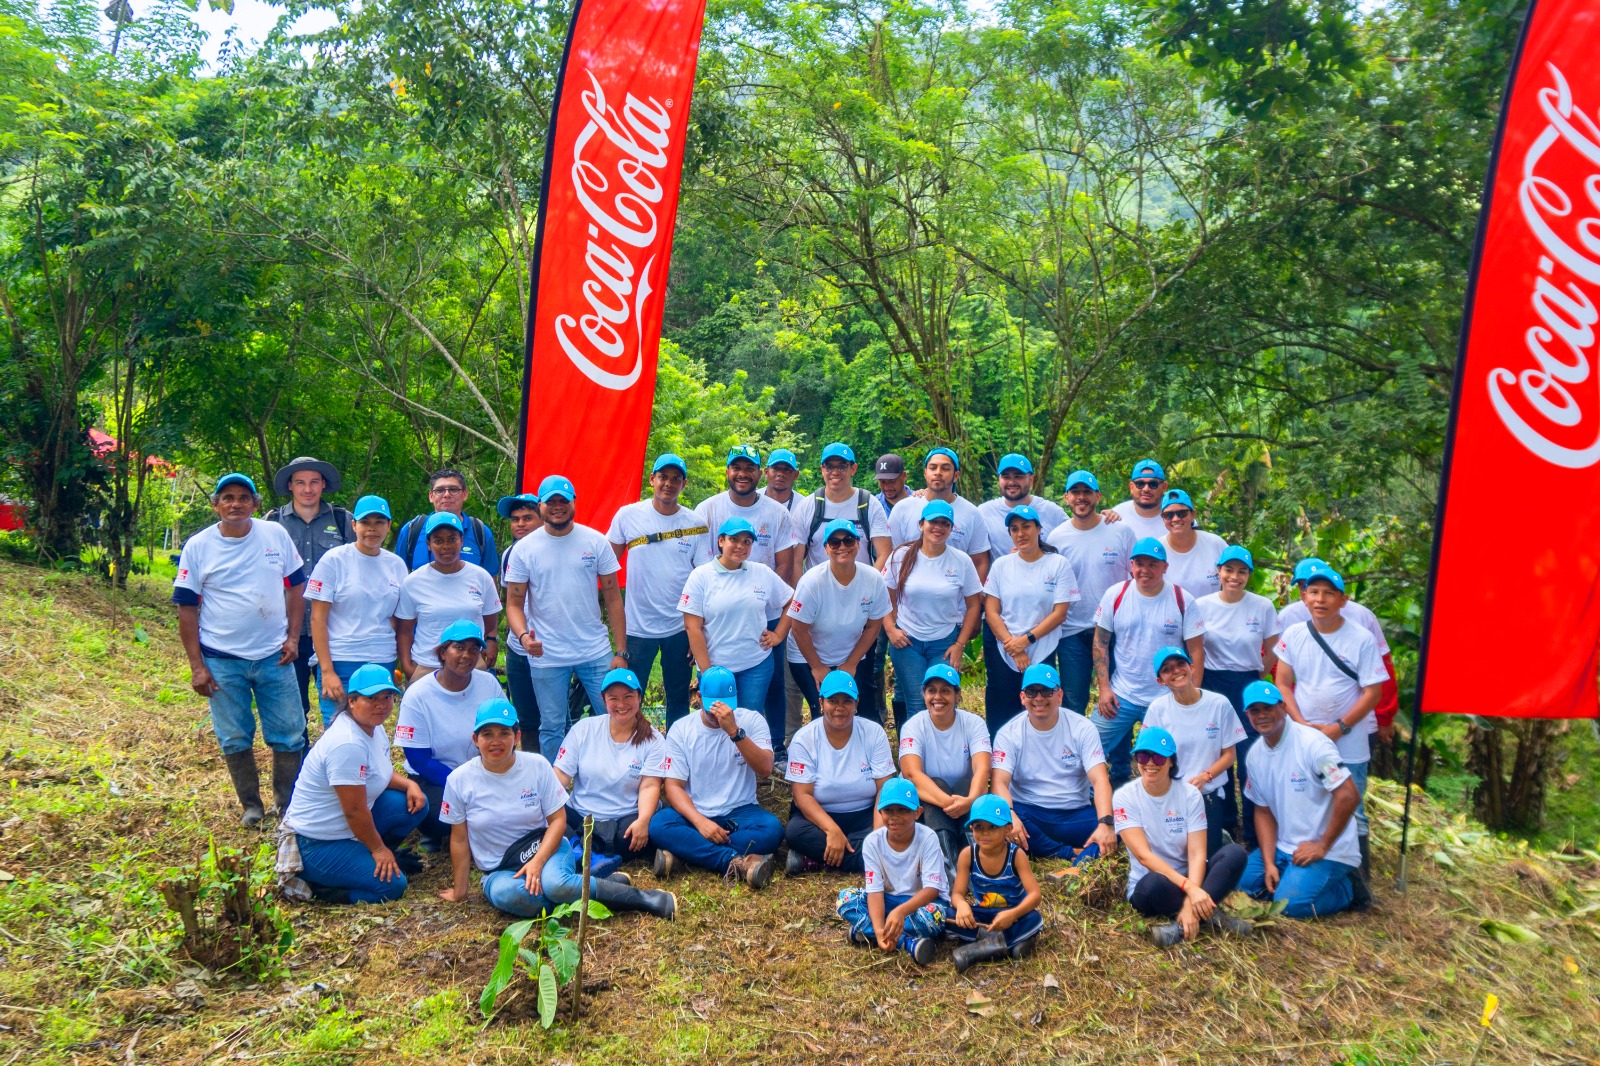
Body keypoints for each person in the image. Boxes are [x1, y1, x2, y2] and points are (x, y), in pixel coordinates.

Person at [437, 698, 675, 920]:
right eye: (487, 734)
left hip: (546, 847)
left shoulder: (537, 766)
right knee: (514, 896)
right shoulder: (459, 780)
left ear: (517, 736)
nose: (496, 741)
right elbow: (459, 839)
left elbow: (558, 821)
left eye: (504, 733)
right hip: (500, 868)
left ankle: (645, 899)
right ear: (475, 739)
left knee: (556, 886)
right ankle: (589, 887)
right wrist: (461, 890)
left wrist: (538, 862)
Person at [174, 473, 308, 826]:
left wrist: (293, 638)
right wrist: (197, 666)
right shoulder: (198, 546)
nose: (236, 504)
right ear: (215, 504)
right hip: (221, 660)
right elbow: (186, 608)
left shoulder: (275, 535)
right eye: (228, 497)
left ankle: (286, 804)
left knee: (290, 731)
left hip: (274, 656)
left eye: (244, 497)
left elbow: (296, 587)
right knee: (234, 735)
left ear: (255, 504)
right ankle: (251, 807)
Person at [1272, 563, 1385, 906]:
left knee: (1354, 807)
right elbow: (1283, 682)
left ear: (1342, 600)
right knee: (1309, 800)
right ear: (1304, 597)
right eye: (1314, 592)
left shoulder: (1361, 639)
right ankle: (1314, 867)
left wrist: (1340, 727)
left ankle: (1360, 885)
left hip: (1347, 743)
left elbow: (1373, 692)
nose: (1320, 599)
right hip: (1305, 737)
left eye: (1329, 593)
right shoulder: (1294, 635)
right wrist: (1300, 724)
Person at [279, 663, 428, 904]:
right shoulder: (347, 744)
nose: (381, 705)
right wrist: (379, 849)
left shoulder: (373, 727)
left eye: (387, 697)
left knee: (413, 804)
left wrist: (411, 785)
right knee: (392, 886)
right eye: (371, 698)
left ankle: (368, 858)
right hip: (317, 843)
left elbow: (379, 774)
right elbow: (354, 810)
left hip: (347, 828)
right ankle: (323, 888)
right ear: (352, 701)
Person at [504, 474, 627, 762]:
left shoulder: (596, 542)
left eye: (564, 501)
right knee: (552, 727)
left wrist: (620, 650)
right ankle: (553, 789)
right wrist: (523, 637)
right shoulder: (524, 549)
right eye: (551, 502)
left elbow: (613, 597)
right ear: (540, 506)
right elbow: (513, 604)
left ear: (573, 502)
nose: (558, 507)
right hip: (547, 654)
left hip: (594, 650)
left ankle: (619, 776)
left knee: (614, 715)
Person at [698, 445, 803, 758]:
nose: (742, 474)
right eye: (736, 468)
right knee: (721, 681)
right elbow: (700, 564)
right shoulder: (709, 510)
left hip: (766, 607)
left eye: (749, 468)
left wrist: (776, 617)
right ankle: (713, 747)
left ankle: (773, 747)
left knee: (772, 682)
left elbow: (784, 563)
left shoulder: (775, 512)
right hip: (720, 611)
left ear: (761, 473)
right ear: (728, 471)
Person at [1112, 727, 1252, 946]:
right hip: (1155, 883)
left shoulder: (1190, 795)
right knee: (1152, 885)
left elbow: (1197, 855)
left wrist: (1190, 899)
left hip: (1190, 879)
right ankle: (1209, 915)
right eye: (1142, 756)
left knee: (1235, 853)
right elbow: (1143, 856)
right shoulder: (1124, 797)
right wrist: (1191, 890)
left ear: (1171, 762)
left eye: (1158, 757)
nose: (1150, 763)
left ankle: (1183, 923)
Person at [1237, 681, 1363, 919]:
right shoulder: (1254, 755)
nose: (1262, 715)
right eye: (1255, 710)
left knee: (1289, 907)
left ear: (1283, 707)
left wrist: (1322, 846)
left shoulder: (1313, 744)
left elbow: (1348, 795)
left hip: (1329, 849)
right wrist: (1269, 863)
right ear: (1247, 715)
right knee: (1241, 883)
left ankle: (1347, 890)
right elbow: (1262, 810)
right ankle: (1289, 877)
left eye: (1268, 707)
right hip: (1284, 847)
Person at [648, 667, 782, 888]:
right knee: (659, 824)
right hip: (695, 812)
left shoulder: (752, 720)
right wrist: (701, 823)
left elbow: (765, 768)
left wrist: (735, 733)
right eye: (712, 707)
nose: (719, 713)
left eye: (726, 705)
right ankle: (731, 861)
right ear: (698, 697)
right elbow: (673, 787)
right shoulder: (681, 729)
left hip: (740, 812)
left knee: (772, 830)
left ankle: (685, 854)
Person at [607, 454, 712, 726]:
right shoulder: (628, 516)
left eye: (676, 478)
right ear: (651, 479)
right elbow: (606, 564)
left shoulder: (696, 522)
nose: (669, 483)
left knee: (678, 695)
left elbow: (704, 578)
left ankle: (677, 753)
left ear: (684, 484)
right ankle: (636, 748)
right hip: (637, 626)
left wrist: (697, 629)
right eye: (663, 477)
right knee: (632, 693)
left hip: (680, 627)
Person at [1092, 538, 1205, 787]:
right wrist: (1104, 689)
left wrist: (1189, 696)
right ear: (1131, 565)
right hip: (1122, 694)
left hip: (1167, 697)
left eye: (1153, 564)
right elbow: (1100, 642)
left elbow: (1196, 651)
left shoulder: (1182, 599)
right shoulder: (1116, 595)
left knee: (1174, 758)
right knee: (1088, 748)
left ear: (1165, 567)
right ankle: (1085, 802)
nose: (1145, 570)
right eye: (1140, 563)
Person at [394, 619, 507, 848]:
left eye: (474, 649)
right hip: (437, 778)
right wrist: (466, 785)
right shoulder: (418, 694)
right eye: (459, 647)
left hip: (487, 770)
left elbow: (507, 730)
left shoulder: (488, 683)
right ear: (443, 652)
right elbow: (419, 759)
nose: (467, 655)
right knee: (438, 818)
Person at [1195, 545, 1280, 846]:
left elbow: (1273, 648)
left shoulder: (1262, 606)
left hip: (1248, 685)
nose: (1234, 577)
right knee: (1218, 754)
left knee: (1250, 758)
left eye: (1242, 571)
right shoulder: (1202, 605)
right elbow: (1195, 648)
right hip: (1213, 682)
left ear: (1249, 575)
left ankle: (1256, 833)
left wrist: (1257, 675)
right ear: (1218, 572)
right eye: (1229, 570)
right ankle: (1225, 824)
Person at [990, 664, 1117, 860]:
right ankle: (1072, 854)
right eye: (1032, 692)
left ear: (1059, 696)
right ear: (1022, 697)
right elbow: (999, 782)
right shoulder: (1008, 733)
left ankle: (1051, 851)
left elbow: (1100, 780)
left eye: (1047, 691)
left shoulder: (1083, 728)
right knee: (998, 819)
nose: (1039, 698)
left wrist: (1105, 822)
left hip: (1074, 815)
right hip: (1029, 814)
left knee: (1120, 822)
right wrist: (1010, 816)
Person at [552, 669, 667, 879]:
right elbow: (560, 774)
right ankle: (592, 853)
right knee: (553, 815)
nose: (621, 705)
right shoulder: (584, 728)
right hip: (581, 815)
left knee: (636, 835)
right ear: (603, 699)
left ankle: (580, 850)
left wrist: (643, 820)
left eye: (628, 697)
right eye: (613, 698)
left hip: (623, 818)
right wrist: (543, 802)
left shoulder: (654, 740)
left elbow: (650, 785)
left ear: (639, 698)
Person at [306, 495, 408, 726]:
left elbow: (397, 619)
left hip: (382, 659)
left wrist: (400, 664)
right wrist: (328, 671)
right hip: (342, 659)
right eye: (365, 522)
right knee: (338, 729)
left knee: (373, 726)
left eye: (379, 522)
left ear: (389, 526)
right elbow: (317, 618)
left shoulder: (396, 565)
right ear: (354, 525)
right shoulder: (334, 560)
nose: (372, 529)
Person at [268, 456, 353, 726]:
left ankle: (341, 761)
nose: (308, 489)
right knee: (291, 709)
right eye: (301, 482)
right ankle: (299, 765)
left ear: (323, 485)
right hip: (287, 632)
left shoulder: (343, 520)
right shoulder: (272, 523)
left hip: (334, 632)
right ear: (290, 486)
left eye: (314, 482)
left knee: (340, 707)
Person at [784, 671, 896, 875]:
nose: (840, 708)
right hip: (820, 817)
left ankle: (818, 860)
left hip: (865, 815)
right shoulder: (804, 739)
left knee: (898, 825)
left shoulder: (874, 732)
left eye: (847, 701)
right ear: (821, 703)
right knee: (794, 831)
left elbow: (884, 789)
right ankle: (876, 858)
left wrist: (879, 835)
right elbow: (802, 796)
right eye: (832, 701)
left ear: (857, 703)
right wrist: (832, 830)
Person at [882, 499, 983, 724]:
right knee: (917, 704)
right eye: (933, 522)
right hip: (907, 641)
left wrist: (960, 645)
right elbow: (884, 598)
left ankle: (943, 756)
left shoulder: (961, 561)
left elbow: (974, 605)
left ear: (951, 528)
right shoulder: (900, 556)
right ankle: (913, 756)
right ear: (921, 524)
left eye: (945, 523)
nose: (938, 527)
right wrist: (890, 629)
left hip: (944, 643)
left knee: (943, 703)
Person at [982, 505, 1079, 739]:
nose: (1020, 533)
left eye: (1026, 527)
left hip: (1041, 646)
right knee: (1002, 706)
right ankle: (999, 764)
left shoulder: (1057, 564)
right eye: (1014, 529)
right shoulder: (1002, 565)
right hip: (1004, 648)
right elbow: (992, 610)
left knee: (1040, 705)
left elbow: (1060, 612)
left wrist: (1025, 641)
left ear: (1038, 529)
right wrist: (1013, 646)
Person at [782, 518, 892, 722]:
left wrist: (851, 663)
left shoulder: (873, 578)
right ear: (825, 549)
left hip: (850, 652)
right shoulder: (812, 582)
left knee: (858, 709)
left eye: (849, 540)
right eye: (834, 542)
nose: (842, 546)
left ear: (858, 544)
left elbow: (873, 625)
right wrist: (817, 667)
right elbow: (798, 630)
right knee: (823, 712)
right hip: (807, 656)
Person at [1279, 557, 1400, 742]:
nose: (1319, 597)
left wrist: (1384, 716)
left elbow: (1383, 669)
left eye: (1327, 591)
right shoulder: (1289, 617)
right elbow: (1280, 673)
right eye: (1306, 587)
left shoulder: (1362, 617)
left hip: (1356, 722)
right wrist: (1298, 716)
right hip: (1305, 723)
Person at [679, 518, 793, 715]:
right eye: (734, 539)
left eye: (747, 542)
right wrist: (707, 673)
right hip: (715, 667)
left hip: (756, 666)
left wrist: (778, 635)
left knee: (748, 722)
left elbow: (792, 601)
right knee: (716, 723)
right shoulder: (701, 576)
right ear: (721, 541)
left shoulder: (762, 572)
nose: (741, 546)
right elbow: (692, 627)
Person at [1046, 470, 1137, 715]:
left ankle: (1117, 754)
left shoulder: (1121, 531)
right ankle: (1074, 752)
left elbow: (1136, 577)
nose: (1081, 497)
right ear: (1066, 497)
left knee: (1119, 697)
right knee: (1073, 701)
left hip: (1116, 629)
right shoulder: (1058, 537)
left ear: (1098, 496)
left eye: (1087, 492)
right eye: (1075, 492)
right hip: (1072, 631)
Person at [834, 777, 948, 965]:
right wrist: (880, 931)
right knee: (845, 899)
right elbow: (874, 890)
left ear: (918, 813)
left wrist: (901, 912)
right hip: (888, 901)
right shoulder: (872, 842)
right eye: (888, 811)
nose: (894, 816)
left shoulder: (928, 838)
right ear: (880, 813)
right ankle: (906, 942)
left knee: (934, 917)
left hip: (919, 904)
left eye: (903, 810)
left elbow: (932, 890)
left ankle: (865, 931)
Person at [1143, 648, 1247, 854]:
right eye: (1167, 669)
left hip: (1207, 794)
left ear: (1192, 667)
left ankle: (1221, 838)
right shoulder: (1157, 709)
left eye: (1180, 664)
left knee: (1205, 856)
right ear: (1161, 681)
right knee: (1175, 855)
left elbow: (1229, 755)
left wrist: (1205, 777)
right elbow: (1149, 758)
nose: (1176, 671)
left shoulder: (1219, 704)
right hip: (1171, 795)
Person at [896, 664, 991, 867]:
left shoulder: (974, 724)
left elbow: (982, 770)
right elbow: (912, 774)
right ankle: (950, 865)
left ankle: (973, 861)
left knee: (967, 785)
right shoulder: (913, 725)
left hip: (964, 801)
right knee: (935, 783)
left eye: (945, 691)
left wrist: (970, 800)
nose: (937, 697)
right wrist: (949, 802)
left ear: (958, 696)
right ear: (924, 695)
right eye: (932, 691)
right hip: (929, 803)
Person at [394, 512, 501, 681]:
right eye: (438, 540)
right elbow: (405, 631)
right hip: (427, 667)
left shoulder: (481, 577)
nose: (446, 546)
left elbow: (489, 621)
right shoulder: (413, 582)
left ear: (462, 541)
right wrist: (408, 667)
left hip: (471, 666)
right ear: (428, 544)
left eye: (452, 539)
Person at [948, 794, 1043, 971]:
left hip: (1011, 916)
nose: (985, 833)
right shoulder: (968, 855)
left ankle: (979, 949)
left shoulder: (1016, 856)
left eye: (993, 827)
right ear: (971, 828)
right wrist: (962, 906)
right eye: (978, 827)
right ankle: (1008, 944)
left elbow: (1035, 895)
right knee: (947, 916)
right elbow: (957, 894)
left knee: (1034, 919)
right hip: (983, 917)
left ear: (1008, 829)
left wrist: (1013, 914)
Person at [886, 448, 993, 579]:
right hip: (911, 595)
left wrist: (973, 596)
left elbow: (980, 561)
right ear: (925, 473)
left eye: (945, 468)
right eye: (933, 467)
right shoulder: (902, 509)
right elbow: (893, 557)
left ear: (956, 475)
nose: (938, 473)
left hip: (955, 596)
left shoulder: (972, 514)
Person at [496, 492, 543, 749]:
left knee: (553, 716)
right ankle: (533, 765)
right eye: (515, 519)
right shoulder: (509, 554)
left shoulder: (554, 549)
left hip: (550, 647)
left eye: (527, 518)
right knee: (525, 717)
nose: (520, 524)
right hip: (517, 645)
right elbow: (510, 601)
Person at [393, 468, 500, 575]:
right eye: (439, 490)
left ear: (465, 494)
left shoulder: (480, 532)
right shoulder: (412, 530)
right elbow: (397, 575)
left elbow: (490, 579)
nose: (447, 494)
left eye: (453, 489)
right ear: (431, 496)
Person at [801, 443, 892, 568]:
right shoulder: (808, 506)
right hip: (818, 586)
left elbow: (884, 554)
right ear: (822, 469)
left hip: (861, 584)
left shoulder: (868, 504)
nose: (835, 472)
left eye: (842, 467)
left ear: (853, 469)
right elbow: (796, 559)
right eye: (829, 467)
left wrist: (871, 585)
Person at [872, 453, 912, 727]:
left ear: (904, 477)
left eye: (892, 480)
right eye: (882, 481)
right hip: (878, 589)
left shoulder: (919, 503)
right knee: (875, 657)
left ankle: (907, 724)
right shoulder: (872, 506)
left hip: (910, 593)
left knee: (903, 662)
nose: (887, 486)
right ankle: (877, 717)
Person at [976, 453, 1067, 549]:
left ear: (1031, 479)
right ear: (999, 479)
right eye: (1006, 477)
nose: (1011, 482)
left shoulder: (1054, 513)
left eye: (1018, 476)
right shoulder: (983, 513)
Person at [1159, 489, 1227, 598]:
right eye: (1169, 515)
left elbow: (1233, 579)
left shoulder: (1215, 544)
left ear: (1193, 514)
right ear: (1163, 518)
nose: (1176, 519)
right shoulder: (1158, 549)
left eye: (1182, 513)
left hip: (1211, 614)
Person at [1110, 459, 1168, 542]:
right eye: (1140, 484)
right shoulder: (1116, 517)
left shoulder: (1177, 517)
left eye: (1153, 484)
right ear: (1131, 487)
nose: (1146, 489)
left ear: (1164, 487)